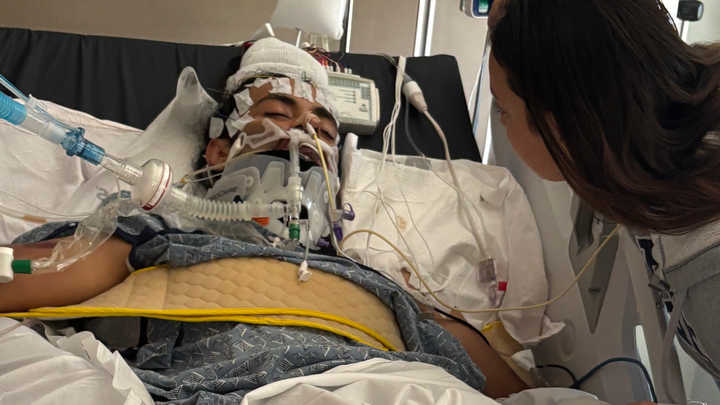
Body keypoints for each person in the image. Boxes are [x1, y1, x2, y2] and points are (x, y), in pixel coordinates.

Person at [0, 38, 528, 401]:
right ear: (217, 149)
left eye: (323, 129)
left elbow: (515, 391)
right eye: (277, 114)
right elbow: (27, 274)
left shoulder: (375, 276)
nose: (305, 135)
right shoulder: (158, 233)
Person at [488, 0, 720, 381]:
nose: (501, 122)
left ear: (559, 129)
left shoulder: (710, 273)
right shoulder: (680, 96)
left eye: (503, 110)